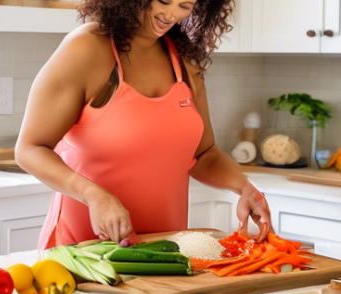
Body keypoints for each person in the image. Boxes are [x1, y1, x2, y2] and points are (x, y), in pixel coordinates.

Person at [15, 0, 272, 250]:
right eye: (163, 1)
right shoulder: (87, 48)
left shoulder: (184, 61)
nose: (171, 15)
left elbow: (204, 154)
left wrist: (245, 187)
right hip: (83, 252)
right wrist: (93, 195)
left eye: (184, 5)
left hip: (165, 253)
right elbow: (30, 148)